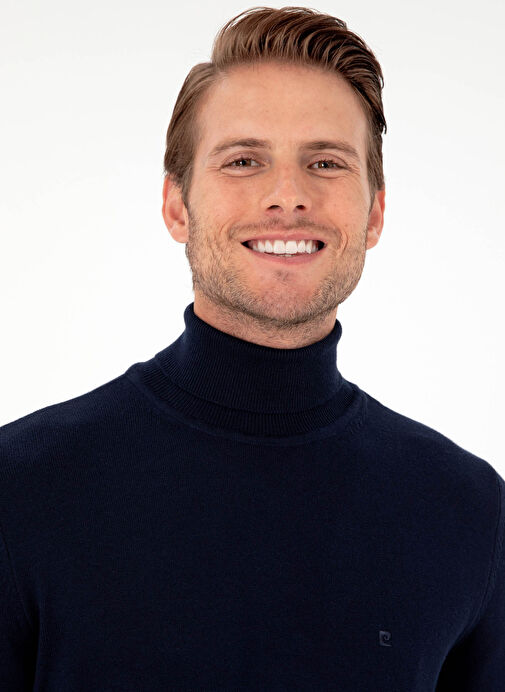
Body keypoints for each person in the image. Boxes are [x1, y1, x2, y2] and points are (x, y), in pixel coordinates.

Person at [0, 6, 503, 690]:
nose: (287, 196)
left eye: (325, 162)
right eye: (243, 161)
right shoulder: (22, 491)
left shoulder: (468, 512)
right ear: (177, 206)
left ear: (374, 213)